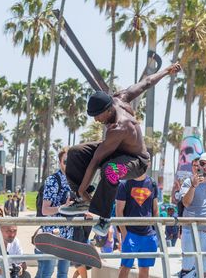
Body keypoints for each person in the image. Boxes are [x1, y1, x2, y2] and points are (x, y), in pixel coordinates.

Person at [59, 62, 182, 236]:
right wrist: (166, 71)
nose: (96, 121)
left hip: (137, 161)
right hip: (119, 152)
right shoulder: (119, 98)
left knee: (111, 170)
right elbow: (146, 83)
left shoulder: (119, 127)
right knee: (75, 152)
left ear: (108, 111)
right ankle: (82, 201)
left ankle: (102, 218)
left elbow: (95, 162)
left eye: (98, 116)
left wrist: (82, 189)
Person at [37, 148, 77, 278]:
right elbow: (46, 210)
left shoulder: (76, 181)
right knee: (48, 270)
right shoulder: (53, 180)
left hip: (68, 232)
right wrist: (63, 207)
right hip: (52, 232)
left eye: (72, 162)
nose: (69, 165)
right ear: (60, 162)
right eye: (66, 161)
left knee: (63, 270)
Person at [116, 173, 159, 278]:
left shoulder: (152, 183)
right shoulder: (124, 184)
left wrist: (156, 232)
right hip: (131, 233)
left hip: (148, 234)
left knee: (145, 269)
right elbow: (119, 211)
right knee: (125, 268)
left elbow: (155, 209)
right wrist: (125, 234)